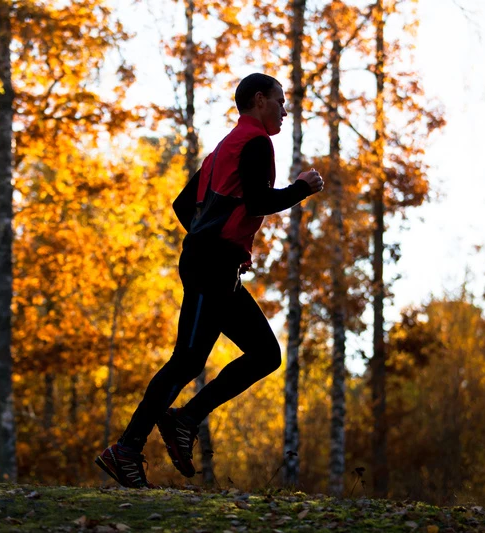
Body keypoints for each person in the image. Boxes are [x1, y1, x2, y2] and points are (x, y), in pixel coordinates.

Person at [95, 73, 324, 488]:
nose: (285, 109)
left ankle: (184, 419)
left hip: (219, 264)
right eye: (280, 101)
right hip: (210, 265)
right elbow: (258, 200)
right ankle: (126, 448)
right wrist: (301, 189)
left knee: (265, 354)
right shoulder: (255, 142)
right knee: (186, 359)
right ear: (259, 100)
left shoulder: (224, 149)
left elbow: (184, 205)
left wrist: (226, 240)